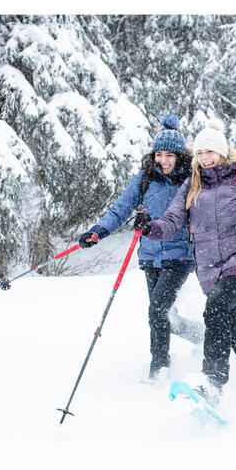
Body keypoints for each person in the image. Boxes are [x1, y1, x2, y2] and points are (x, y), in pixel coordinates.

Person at [130, 118, 236, 405]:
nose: (205, 158)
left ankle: (211, 383)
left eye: (209, 152)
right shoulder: (191, 185)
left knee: (216, 309)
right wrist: (150, 228)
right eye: (199, 153)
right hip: (211, 271)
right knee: (234, 328)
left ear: (222, 153)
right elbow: (172, 222)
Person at [78, 114, 203, 381]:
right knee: (166, 315)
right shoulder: (146, 179)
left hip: (180, 255)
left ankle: (159, 368)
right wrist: (98, 231)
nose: (164, 160)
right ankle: (202, 334)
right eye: (159, 154)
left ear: (179, 156)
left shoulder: (190, 181)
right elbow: (120, 208)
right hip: (149, 255)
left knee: (157, 310)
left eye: (170, 155)